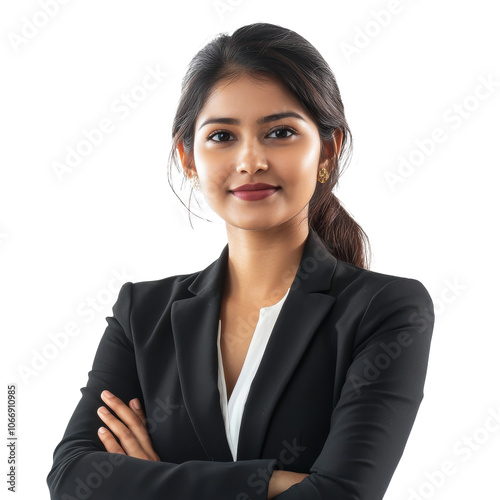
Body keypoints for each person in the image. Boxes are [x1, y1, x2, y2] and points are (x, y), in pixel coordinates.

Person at [47, 22, 434, 500]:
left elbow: (343, 495)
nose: (250, 161)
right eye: (222, 137)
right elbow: (72, 479)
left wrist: (153, 481)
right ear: (188, 158)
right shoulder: (143, 313)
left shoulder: (385, 309)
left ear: (327, 152)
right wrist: (269, 483)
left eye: (280, 132)